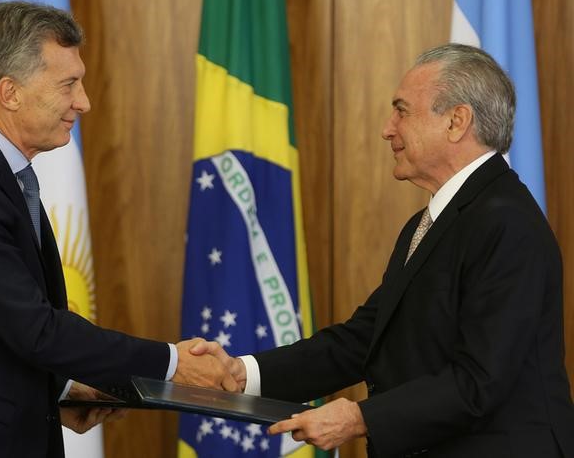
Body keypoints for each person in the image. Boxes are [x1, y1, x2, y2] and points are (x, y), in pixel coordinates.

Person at [0, 1, 235, 458]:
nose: (84, 101)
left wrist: (61, 388)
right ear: (9, 92)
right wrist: (172, 365)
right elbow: (37, 329)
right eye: (68, 84)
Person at [192, 43, 574, 457]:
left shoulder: (506, 222)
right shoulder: (430, 223)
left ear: (456, 121)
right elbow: (366, 339)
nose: (387, 128)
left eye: (402, 110)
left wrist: (359, 418)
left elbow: (479, 382)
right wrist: (243, 372)